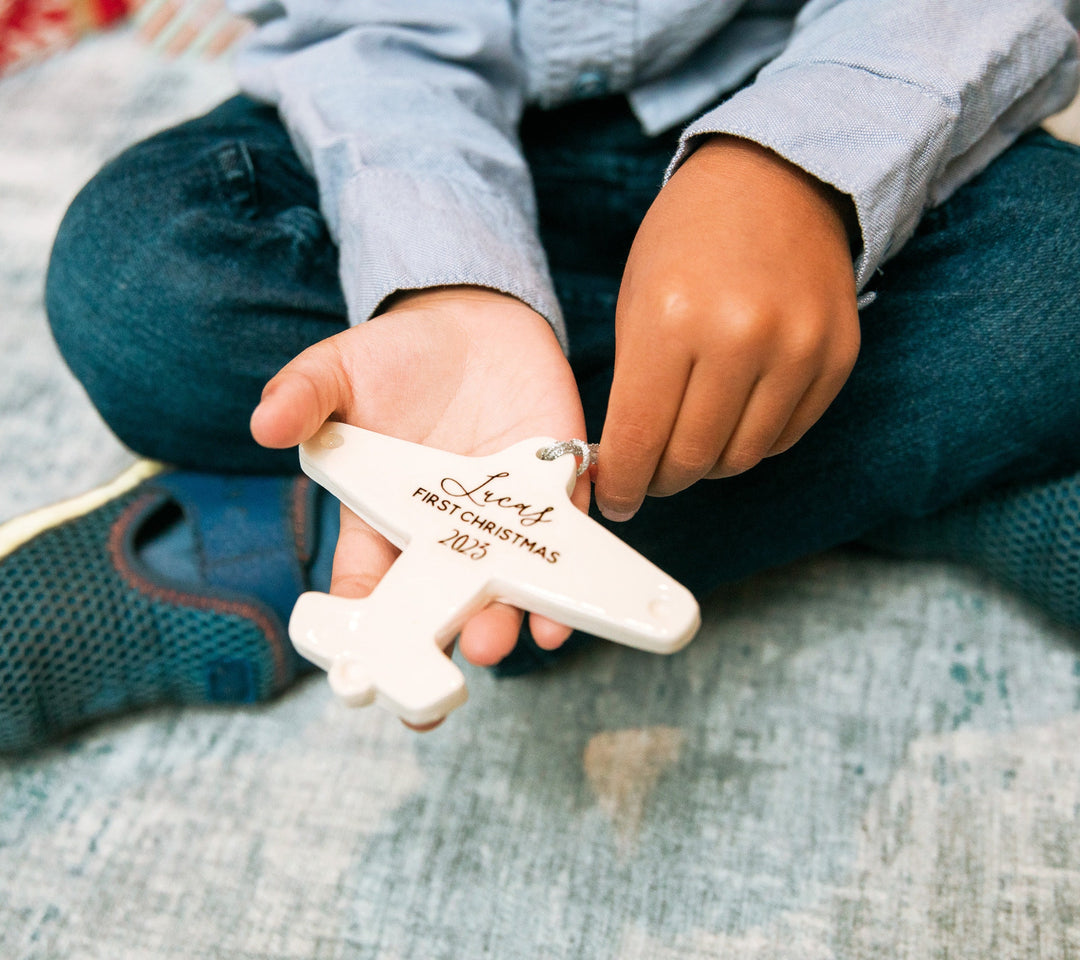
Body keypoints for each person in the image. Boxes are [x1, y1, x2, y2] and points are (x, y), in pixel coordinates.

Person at [3, 0, 1079, 751]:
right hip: (444, 132)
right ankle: (906, 459)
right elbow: (366, 32)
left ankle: (305, 539)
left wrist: (805, 162)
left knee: (1061, 264)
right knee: (136, 278)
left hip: (825, 108)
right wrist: (444, 284)